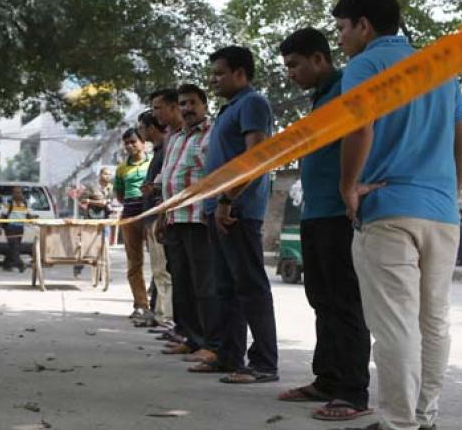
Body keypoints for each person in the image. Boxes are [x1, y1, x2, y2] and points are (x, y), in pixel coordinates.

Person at [333, 0, 462, 430]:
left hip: (388, 208)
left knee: (395, 323)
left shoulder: (365, 65)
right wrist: (450, 189)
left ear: (363, 25)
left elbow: (359, 130)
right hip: (441, 212)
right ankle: (423, 416)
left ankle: (397, 423)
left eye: (341, 28)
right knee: (433, 319)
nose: (339, 38)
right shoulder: (441, 69)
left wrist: (349, 187)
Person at [277, 27, 372, 421]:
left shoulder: (349, 85)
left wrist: (351, 189)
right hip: (315, 214)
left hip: (338, 213)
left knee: (344, 303)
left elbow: (364, 134)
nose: (291, 74)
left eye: (295, 65)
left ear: (319, 58)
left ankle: (353, 392)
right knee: (321, 300)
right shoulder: (320, 100)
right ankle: (327, 379)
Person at [200, 46, 279, 384]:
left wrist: (229, 200)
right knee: (225, 287)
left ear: (241, 73)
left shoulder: (252, 103)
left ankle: (264, 363)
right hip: (216, 208)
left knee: (250, 286)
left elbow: (256, 157)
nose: (213, 80)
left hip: (237, 211)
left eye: (219, 73)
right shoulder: (228, 109)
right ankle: (229, 356)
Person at [157, 83, 219, 367]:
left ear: (204, 105)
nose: (187, 108)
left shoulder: (211, 134)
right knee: (181, 282)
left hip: (197, 219)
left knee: (203, 284)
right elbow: (169, 179)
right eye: (182, 104)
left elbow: (216, 175)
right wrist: (162, 216)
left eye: (192, 103)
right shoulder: (176, 137)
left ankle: (211, 343)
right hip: (174, 220)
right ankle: (191, 339)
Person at [137, 106, 173, 328]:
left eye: (141, 128)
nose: (140, 132)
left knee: (163, 271)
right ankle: (160, 313)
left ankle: (167, 318)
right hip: (152, 218)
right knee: (158, 271)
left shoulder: (167, 151)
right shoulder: (159, 152)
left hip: (160, 217)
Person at [114, 128, 152, 320]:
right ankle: (140, 304)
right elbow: (119, 195)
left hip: (151, 216)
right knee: (134, 263)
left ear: (143, 143)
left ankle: (161, 306)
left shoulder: (153, 163)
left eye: (133, 142)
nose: (130, 146)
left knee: (160, 262)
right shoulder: (122, 169)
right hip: (129, 217)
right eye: (126, 143)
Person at [74, 168, 115, 278]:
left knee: (104, 246)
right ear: (100, 175)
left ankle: (103, 272)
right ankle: (78, 267)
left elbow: (110, 201)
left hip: (105, 219)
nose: (108, 176)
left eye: (110, 175)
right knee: (86, 244)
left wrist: (108, 205)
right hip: (92, 219)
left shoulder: (111, 188)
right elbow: (82, 200)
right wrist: (96, 202)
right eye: (106, 174)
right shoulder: (92, 187)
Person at [0, 186, 37, 273]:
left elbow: (28, 216)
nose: (17, 194)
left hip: (20, 228)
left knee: (13, 247)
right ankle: (20, 265)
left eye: (19, 192)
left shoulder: (25, 204)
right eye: (15, 192)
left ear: (22, 193)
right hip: (10, 228)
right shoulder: (9, 203)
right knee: (15, 247)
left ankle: (6, 265)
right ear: (12, 194)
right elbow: (2, 216)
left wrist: (35, 223)